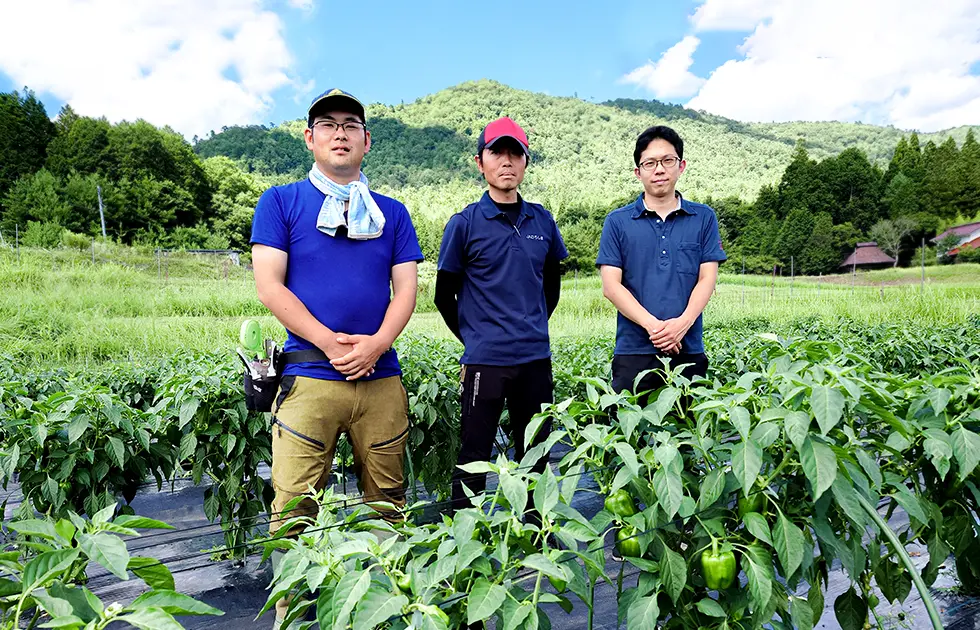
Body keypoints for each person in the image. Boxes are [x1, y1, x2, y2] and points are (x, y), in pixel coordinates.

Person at [250, 88, 423, 626]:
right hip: (307, 375)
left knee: (389, 502)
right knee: (295, 507)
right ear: (310, 137)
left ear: (367, 141)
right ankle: (296, 615)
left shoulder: (392, 214)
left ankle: (380, 610)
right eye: (328, 124)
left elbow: (408, 291)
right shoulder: (280, 202)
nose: (340, 133)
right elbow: (270, 287)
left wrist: (375, 345)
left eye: (352, 125)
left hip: (381, 376)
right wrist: (329, 342)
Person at [435, 116, 568, 515]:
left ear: (526, 162)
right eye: (497, 152)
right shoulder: (464, 224)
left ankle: (534, 529)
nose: (507, 161)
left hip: (534, 359)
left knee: (536, 450)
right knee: (474, 454)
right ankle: (463, 534)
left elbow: (551, 286)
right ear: (480, 162)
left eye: (516, 153)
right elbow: (444, 296)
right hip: (485, 362)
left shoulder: (541, 220)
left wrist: (531, 326)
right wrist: (476, 339)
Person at [597, 125, 726, 402]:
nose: (659, 169)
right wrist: (655, 328)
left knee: (691, 437)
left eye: (667, 161)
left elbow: (707, 279)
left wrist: (683, 324)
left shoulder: (703, 218)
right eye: (650, 163)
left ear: (681, 166)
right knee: (631, 438)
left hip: (688, 348)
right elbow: (611, 286)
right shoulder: (617, 222)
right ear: (638, 171)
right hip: (633, 351)